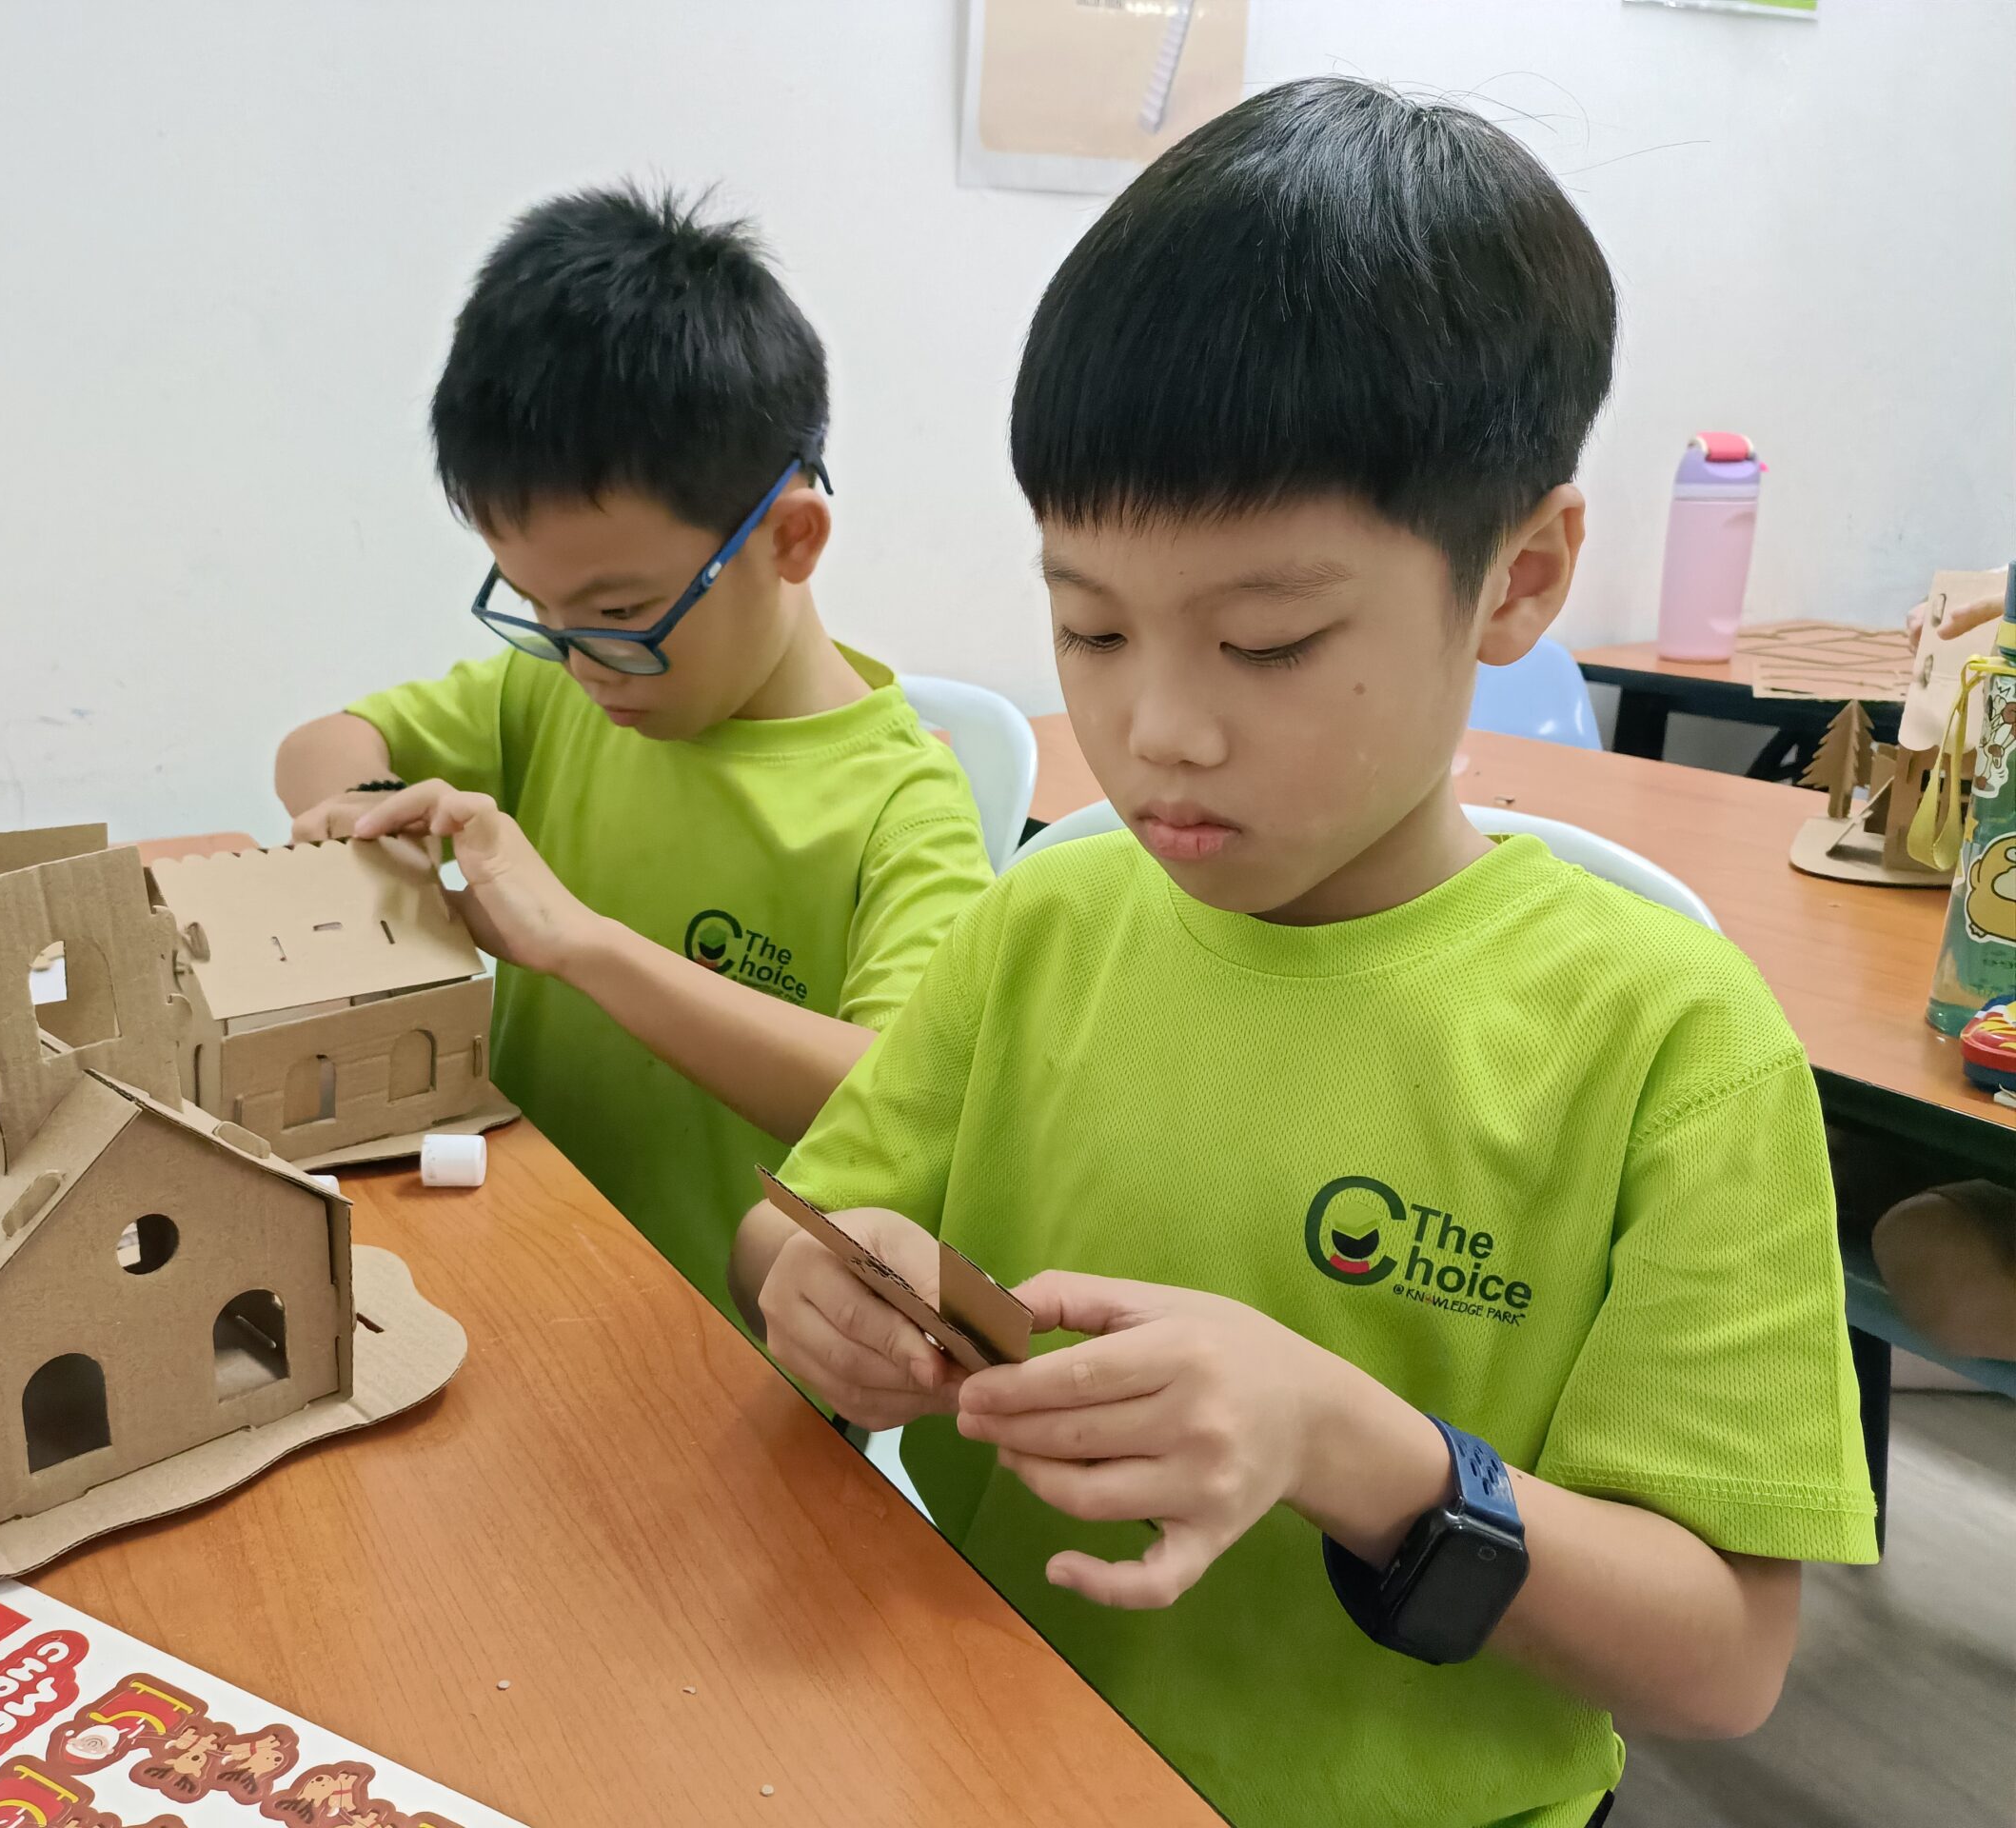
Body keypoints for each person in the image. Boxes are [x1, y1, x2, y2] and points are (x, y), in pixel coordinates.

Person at [730, 79, 1875, 1828]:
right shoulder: (1046, 918)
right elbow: (797, 1221)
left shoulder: (1667, 1044)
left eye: (1267, 642)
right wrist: (825, 1288)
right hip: (987, 1752)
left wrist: (1357, 1452)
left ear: (1520, 578)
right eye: (1089, 626)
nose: (1158, 730)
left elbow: (1720, 1662)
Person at [277, 185, 991, 1325]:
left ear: (789, 538)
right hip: (504, 1268)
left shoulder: (900, 805)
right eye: (538, 609)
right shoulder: (559, 685)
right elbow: (324, 742)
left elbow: (898, 1101)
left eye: (619, 612)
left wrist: (582, 945)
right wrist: (362, 810)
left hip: (714, 1348)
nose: (583, 660)